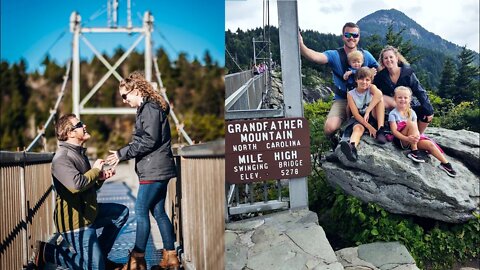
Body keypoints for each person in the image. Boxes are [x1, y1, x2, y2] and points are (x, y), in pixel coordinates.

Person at [28, 114, 129, 270]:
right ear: (70, 133)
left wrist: (100, 178)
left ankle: (100, 259)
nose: (85, 126)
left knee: (121, 213)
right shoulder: (62, 158)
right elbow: (76, 185)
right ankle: (48, 252)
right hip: (75, 223)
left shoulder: (78, 153)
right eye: (80, 124)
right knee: (95, 268)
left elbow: (87, 187)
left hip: (88, 213)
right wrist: (95, 170)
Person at [106, 71, 180, 270]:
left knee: (140, 211)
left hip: (153, 168)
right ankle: (170, 257)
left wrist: (122, 153)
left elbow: (149, 140)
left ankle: (137, 259)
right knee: (158, 212)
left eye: (125, 95)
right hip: (156, 167)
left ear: (136, 90)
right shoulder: (149, 108)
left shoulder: (149, 108)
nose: (124, 100)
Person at [299, 22, 380, 147]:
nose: (351, 38)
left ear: (359, 37)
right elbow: (316, 57)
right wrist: (301, 45)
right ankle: (336, 144)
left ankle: (380, 130)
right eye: (348, 34)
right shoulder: (335, 55)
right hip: (343, 98)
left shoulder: (366, 55)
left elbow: (378, 69)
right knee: (330, 128)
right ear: (343, 36)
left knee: (385, 102)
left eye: (355, 35)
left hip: (364, 98)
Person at [389, 86, 456, 177]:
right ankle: (414, 152)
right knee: (411, 123)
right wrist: (407, 138)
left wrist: (415, 137)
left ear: (410, 99)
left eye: (405, 97)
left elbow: (415, 129)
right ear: (395, 99)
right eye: (400, 97)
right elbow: (394, 132)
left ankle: (446, 164)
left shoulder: (412, 112)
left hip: (412, 139)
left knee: (430, 144)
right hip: (401, 140)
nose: (403, 100)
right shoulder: (393, 114)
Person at [374, 45, 434, 134]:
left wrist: (428, 109)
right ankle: (382, 128)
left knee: (426, 113)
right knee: (379, 97)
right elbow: (374, 89)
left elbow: (419, 90)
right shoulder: (381, 76)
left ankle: (418, 135)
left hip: (410, 105)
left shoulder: (407, 73)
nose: (388, 60)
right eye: (385, 58)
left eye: (391, 57)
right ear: (383, 61)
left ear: (397, 58)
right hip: (393, 108)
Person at [340, 67, 386, 161]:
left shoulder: (371, 88)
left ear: (371, 81)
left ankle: (381, 129)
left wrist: (368, 111)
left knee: (379, 99)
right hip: (360, 118)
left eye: (367, 80)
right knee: (358, 128)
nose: (364, 82)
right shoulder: (351, 94)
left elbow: (379, 94)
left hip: (373, 115)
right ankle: (352, 146)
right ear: (356, 79)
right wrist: (369, 127)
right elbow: (356, 114)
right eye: (361, 79)